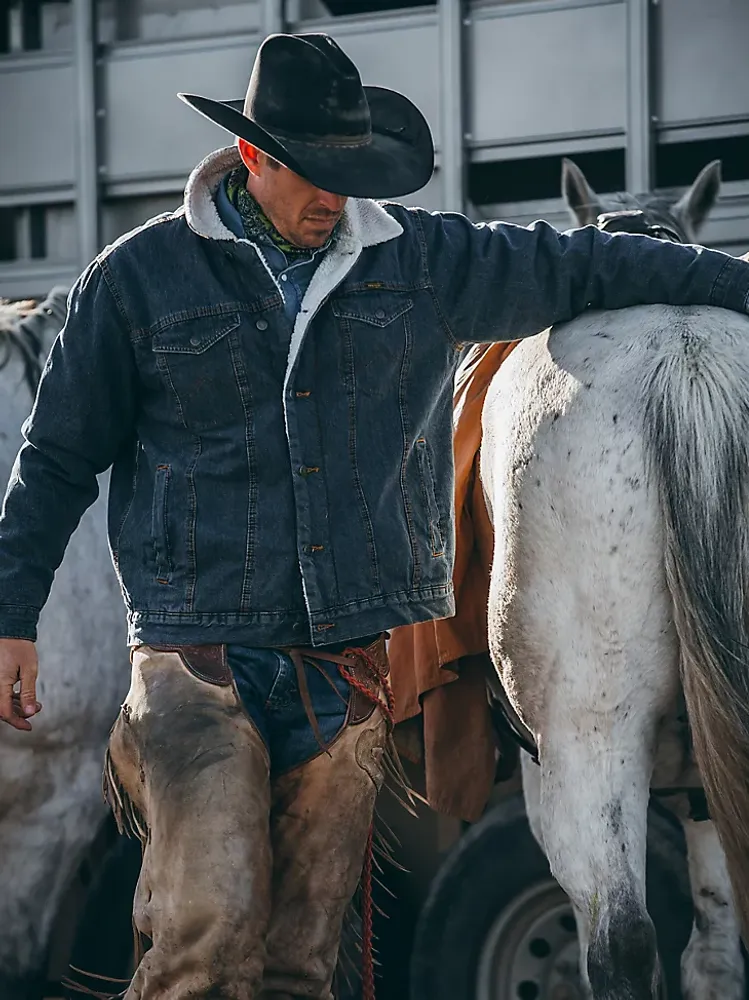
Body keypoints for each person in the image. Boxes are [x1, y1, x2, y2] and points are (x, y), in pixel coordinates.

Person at [1, 30, 749, 1000]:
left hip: (341, 670)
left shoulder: (419, 262)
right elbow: (55, 457)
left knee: (302, 960)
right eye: (314, 174)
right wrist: (13, 613)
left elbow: (585, 269)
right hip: (197, 663)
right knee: (207, 931)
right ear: (251, 157)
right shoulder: (137, 281)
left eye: (349, 174)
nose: (334, 197)